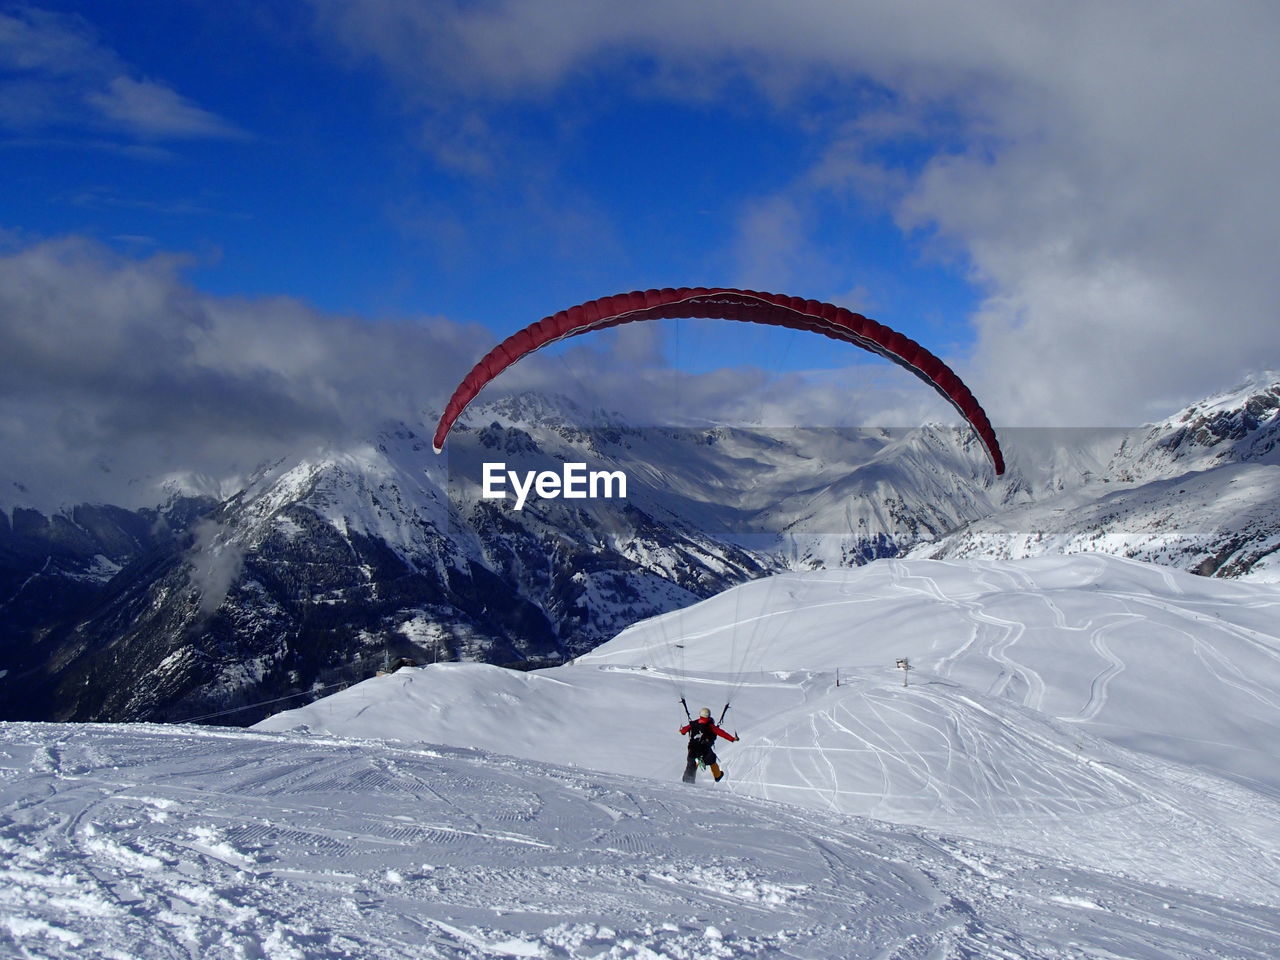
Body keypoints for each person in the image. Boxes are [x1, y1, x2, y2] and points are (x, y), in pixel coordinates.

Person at [679, 707, 739, 783]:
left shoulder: (693, 724)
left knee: (691, 764)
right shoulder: (711, 726)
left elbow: (683, 731)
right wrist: (732, 738)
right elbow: (722, 733)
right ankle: (717, 776)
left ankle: (688, 780)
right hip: (705, 750)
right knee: (712, 760)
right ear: (709, 715)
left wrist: (681, 730)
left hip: (692, 749)